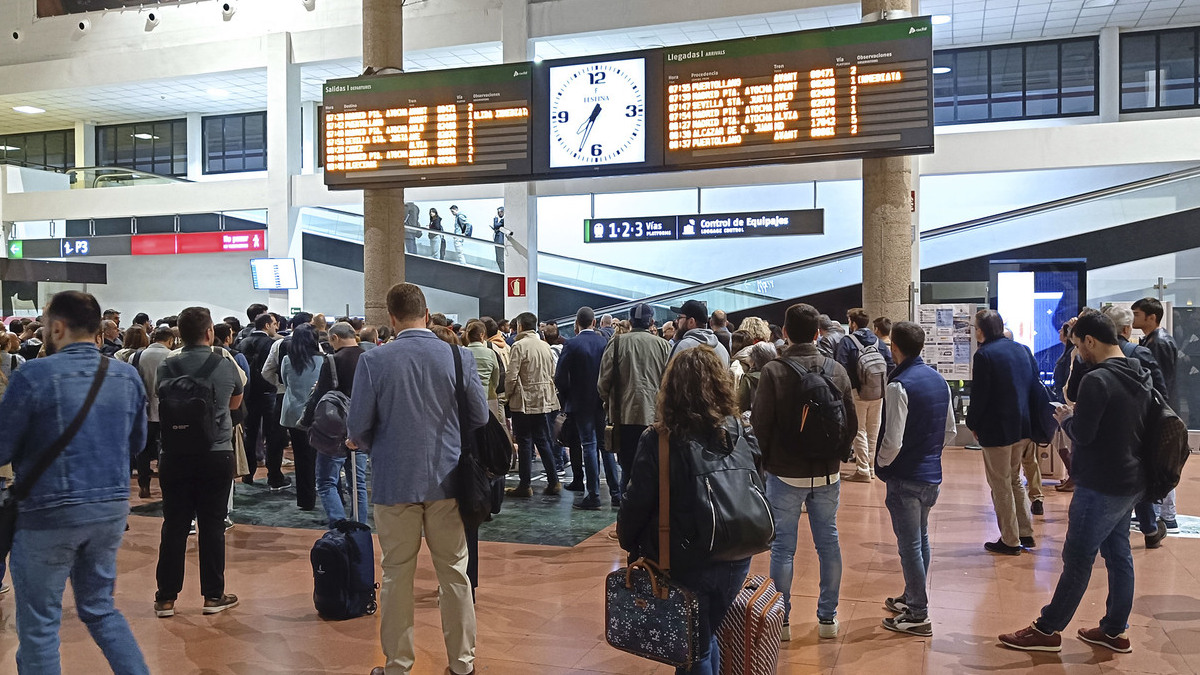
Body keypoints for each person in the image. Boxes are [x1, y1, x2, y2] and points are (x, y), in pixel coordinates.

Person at [0, 291, 150, 674]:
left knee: (39, 624)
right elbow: (139, 443)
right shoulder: (125, 375)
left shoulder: (32, 375)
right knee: (101, 609)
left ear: (57, 327)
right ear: (98, 330)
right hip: (110, 511)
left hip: (47, 513)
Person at [348, 283, 487, 675]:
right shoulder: (458, 357)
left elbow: (357, 427)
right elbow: (478, 416)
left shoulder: (374, 361)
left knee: (395, 574)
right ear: (427, 313)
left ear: (390, 318)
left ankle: (397, 665)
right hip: (448, 481)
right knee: (455, 575)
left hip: (394, 482)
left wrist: (384, 446)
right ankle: (462, 664)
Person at [999, 312, 1154, 654]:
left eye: (1078, 345)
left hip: (1100, 481)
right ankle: (1114, 630)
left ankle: (1047, 629)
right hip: (1130, 477)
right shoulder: (1138, 371)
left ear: (1090, 341)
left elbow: (1084, 434)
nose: (1078, 352)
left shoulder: (1098, 380)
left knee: (1078, 556)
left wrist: (1067, 419)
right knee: (1118, 554)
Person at [617, 346, 759, 675]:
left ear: (671, 388)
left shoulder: (658, 439)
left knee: (694, 648)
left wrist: (628, 540)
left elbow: (637, 499)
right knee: (706, 634)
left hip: (683, 554)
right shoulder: (739, 431)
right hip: (737, 549)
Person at [751, 302, 857, 642]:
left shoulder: (774, 371)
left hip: (784, 472)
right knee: (828, 542)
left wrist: (769, 461)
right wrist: (838, 455)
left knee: (783, 547)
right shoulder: (836, 369)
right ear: (817, 333)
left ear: (784, 333)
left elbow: (760, 423)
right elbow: (851, 423)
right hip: (826, 473)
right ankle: (828, 619)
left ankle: (782, 623)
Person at [153, 306, 243, 619]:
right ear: (209, 333)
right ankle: (213, 595)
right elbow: (235, 402)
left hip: (173, 453)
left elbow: (160, 397)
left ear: (179, 333)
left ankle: (166, 598)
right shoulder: (223, 363)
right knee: (212, 525)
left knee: (174, 526)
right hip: (215, 452)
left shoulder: (166, 365)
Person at [876, 321, 957, 637]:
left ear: (894, 347)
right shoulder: (939, 379)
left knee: (909, 545)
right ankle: (912, 597)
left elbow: (892, 440)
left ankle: (918, 613)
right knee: (920, 538)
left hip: (905, 477)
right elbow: (949, 430)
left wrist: (881, 465)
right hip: (931, 476)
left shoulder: (899, 385)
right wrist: (928, 452)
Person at [966, 309, 1040, 556]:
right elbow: (1034, 383)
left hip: (997, 428)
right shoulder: (1021, 349)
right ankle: (1025, 531)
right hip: (1023, 425)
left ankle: (1009, 539)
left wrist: (972, 422)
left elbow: (980, 394)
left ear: (981, 330)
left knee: (1000, 483)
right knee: (1014, 479)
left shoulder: (984, 354)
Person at [556, 306, 623, 510]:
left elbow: (560, 377)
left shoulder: (572, 344)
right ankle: (616, 493)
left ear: (577, 324)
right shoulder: (605, 342)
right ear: (594, 323)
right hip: (601, 402)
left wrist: (568, 396)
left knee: (589, 446)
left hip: (580, 401)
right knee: (606, 447)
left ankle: (593, 495)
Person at [302, 322, 367, 528]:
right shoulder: (369, 358)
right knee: (358, 484)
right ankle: (360, 527)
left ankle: (340, 527)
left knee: (326, 481)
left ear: (335, 338)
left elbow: (321, 395)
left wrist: (305, 421)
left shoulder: (332, 361)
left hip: (335, 426)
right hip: (362, 425)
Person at [598, 303, 669, 492]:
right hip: (655, 417)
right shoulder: (663, 345)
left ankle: (627, 516)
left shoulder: (617, 342)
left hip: (624, 416)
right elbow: (670, 383)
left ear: (630, 321)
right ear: (652, 322)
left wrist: (609, 402)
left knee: (628, 470)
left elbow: (603, 382)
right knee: (653, 470)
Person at [1131, 296, 1181, 533]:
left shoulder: (1158, 343)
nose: (1133, 319)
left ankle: (1167, 514)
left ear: (1151, 317)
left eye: (1137, 315)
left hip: (1161, 410)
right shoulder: (1155, 340)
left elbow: (1157, 381)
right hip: (1162, 408)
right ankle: (1161, 513)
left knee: (1161, 462)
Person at [505, 312, 561, 498]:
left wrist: (508, 396)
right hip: (544, 400)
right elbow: (553, 372)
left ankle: (525, 485)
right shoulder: (545, 346)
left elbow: (512, 376)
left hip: (523, 401)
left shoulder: (519, 346)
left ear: (520, 326)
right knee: (543, 440)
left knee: (524, 442)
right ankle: (554, 481)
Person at [834, 308, 894, 483]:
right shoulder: (878, 341)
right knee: (873, 430)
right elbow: (890, 364)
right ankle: (872, 467)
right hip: (878, 392)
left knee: (858, 430)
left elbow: (840, 367)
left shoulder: (848, 341)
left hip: (857, 392)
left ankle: (862, 470)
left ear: (852, 323)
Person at [237, 312, 289, 489]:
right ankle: (274, 475)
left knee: (250, 434)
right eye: (274, 324)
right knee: (273, 436)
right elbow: (272, 370)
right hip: (269, 393)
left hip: (249, 395)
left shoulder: (242, 342)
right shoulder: (272, 343)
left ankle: (248, 473)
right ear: (267, 325)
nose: (276, 327)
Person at [279, 324, 324, 511]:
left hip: (294, 413)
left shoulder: (288, 361)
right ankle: (326, 492)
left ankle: (305, 500)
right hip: (318, 414)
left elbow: (284, 381)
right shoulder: (324, 360)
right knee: (320, 455)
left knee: (301, 458)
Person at [133, 326, 176, 499]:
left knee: (143, 449)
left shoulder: (137, 356)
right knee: (165, 449)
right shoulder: (172, 356)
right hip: (168, 409)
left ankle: (144, 485)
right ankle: (166, 487)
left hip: (143, 409)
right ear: (170, 340)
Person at [669, 299, 730, 366]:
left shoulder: (682, 347)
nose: (676, 321)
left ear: (691, 322)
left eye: (679, 317)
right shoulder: (722, 349)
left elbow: (668, 375)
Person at [490, 206, 505, 271]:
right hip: (498, 240)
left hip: (500, 241)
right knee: (498, 258)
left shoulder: (504, 220)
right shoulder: (502, 220)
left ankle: (503, 271)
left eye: (500, 212)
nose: (499, 214)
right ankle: (502, 271)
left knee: (500, 258)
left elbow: (495, 225)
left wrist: (495, 218)